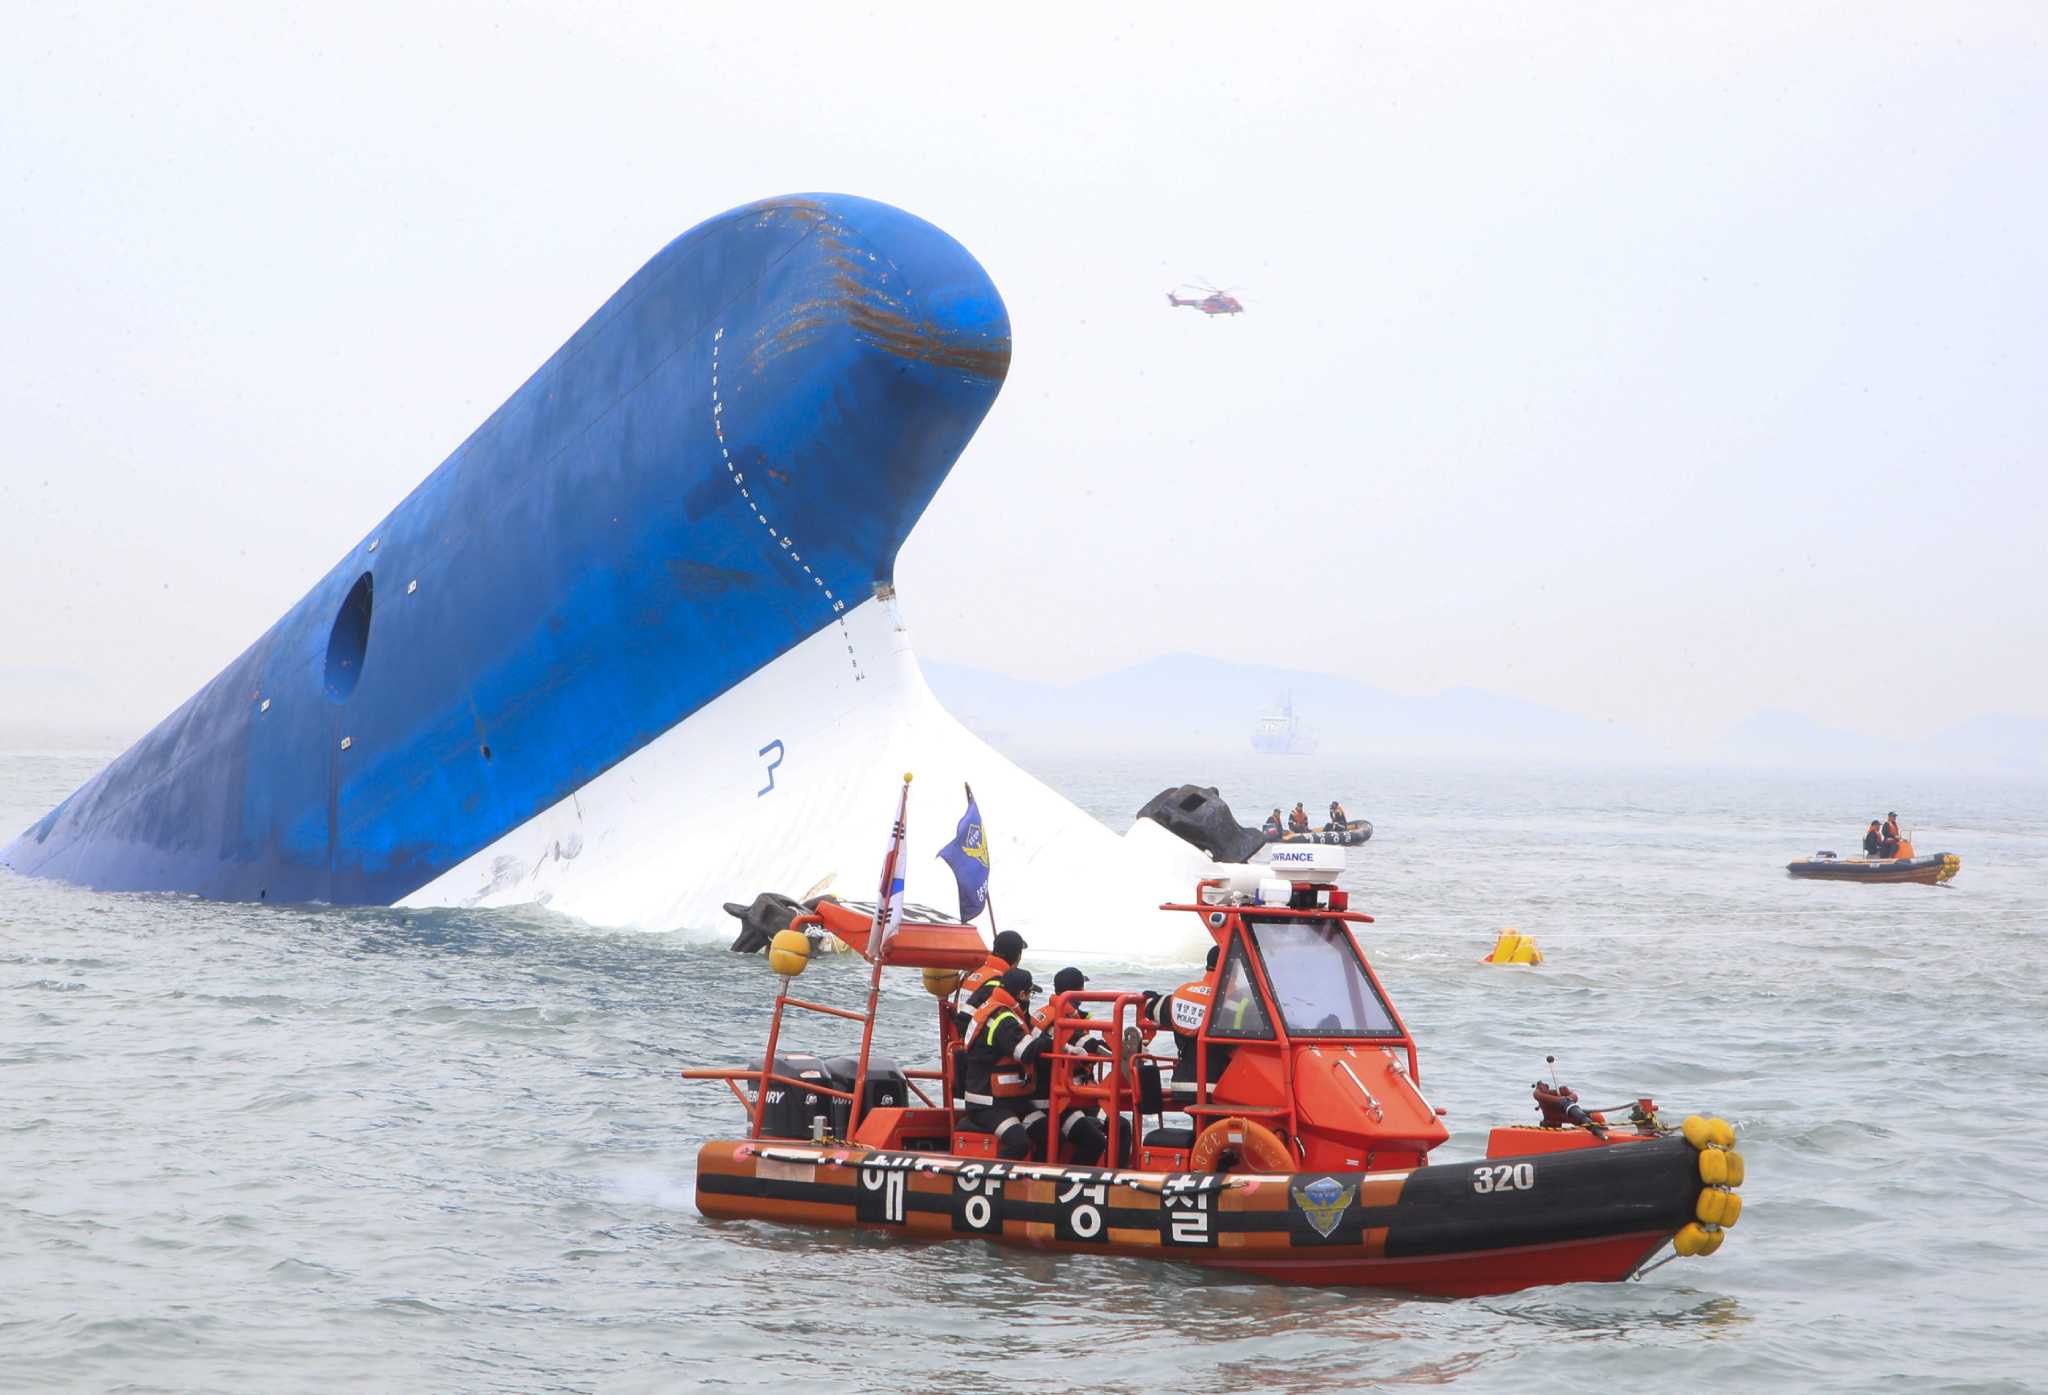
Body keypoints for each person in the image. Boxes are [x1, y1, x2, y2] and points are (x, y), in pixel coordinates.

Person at [961, 968, 1052, 1159]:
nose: (1030, 999)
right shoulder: (1003, 1019)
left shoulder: (998, 1009)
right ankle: (994, 1183)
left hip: (1010, 1100)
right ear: (1022, 994)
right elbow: (1025, 1052)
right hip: (987, 1103)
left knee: (1048, 1135)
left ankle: (1036, 1184)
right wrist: (1054, 1041)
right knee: (1018, 1143)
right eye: (1030, 994)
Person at [1032, 966, 1110, 1166]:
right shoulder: (1062, 1019)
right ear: (1078, 990)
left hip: (1063, 1094)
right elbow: (1086, 1045)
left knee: (1111, 1129)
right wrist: (1118, 1046)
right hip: (1052, 1100)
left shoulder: (1047, 1013)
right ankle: (1071, 1184)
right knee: (1093, 1140)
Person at [1147, 945, 1220, 1080]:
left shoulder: (1185, 992)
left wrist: (1154, 998)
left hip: (1181, 1081)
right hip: (1221, 1086)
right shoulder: (1236, 999)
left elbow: (1152, 1009)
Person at [1532, 1079, 1608, 1139]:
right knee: (1594, 1117)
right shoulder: (1540, 1095)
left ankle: (1599, 1131)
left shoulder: (1566, 1097)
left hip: (1570, 1112)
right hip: (1552, 1119)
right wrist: (1563, 1101)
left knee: (1596, 1116)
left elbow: (1572, 1097)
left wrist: (1566, 1099)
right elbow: (1539, 1095)